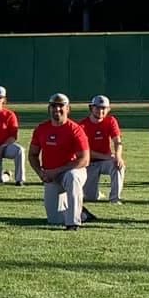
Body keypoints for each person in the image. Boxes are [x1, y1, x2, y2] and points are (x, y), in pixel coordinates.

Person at [27, 93, 90, 231]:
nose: (57, 109)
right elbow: (32, 155)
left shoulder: (75, 129)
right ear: (49, 108)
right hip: (51, 177)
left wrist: (56, 171)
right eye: (53, 106)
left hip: (71, 171)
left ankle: (73, 223)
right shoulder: (41, 129)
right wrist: (40, 173)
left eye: (61, 106)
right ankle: (83, 214)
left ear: (68, 109)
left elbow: (85, 159)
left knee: (72, 177)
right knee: (54, 220)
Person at [80, 95, 125, 208]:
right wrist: (107, 156)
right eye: (97, 107)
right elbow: (84, 151)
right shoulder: (82, 125)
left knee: (118, 166)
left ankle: (115, 198)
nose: (100, 111)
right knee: (90, 198)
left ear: (108, 109)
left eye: (104, 108)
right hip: (89, 163)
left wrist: (118, 156)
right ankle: (96, 193)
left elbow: (117, 141)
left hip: (106, 162)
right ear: (91, 108)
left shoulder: (111, 121)